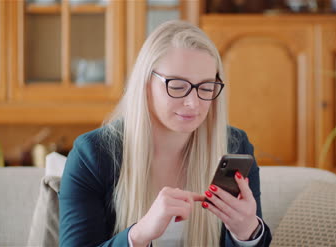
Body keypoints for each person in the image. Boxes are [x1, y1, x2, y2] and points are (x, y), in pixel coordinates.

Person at [59, 20, 272, 247]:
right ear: (145, 83)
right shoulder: (92, 155)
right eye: (178, 86)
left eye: (206, 87)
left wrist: (247, 233)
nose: (193, 103)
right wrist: (139, 235)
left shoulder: (235, 146)